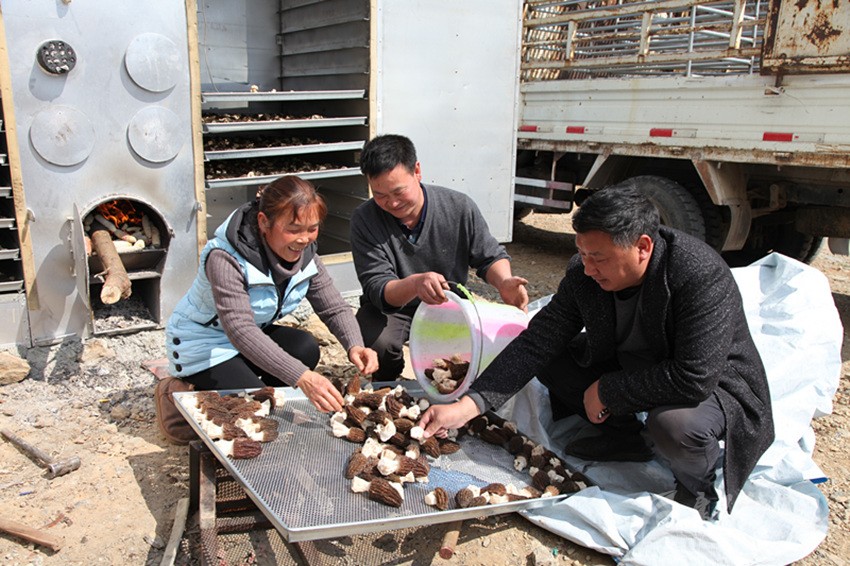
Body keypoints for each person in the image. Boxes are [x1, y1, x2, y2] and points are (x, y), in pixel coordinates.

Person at [418, 183, 775, 519]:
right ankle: (623, 436)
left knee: (675, 425)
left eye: (599, 258)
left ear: (643, 247)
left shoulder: (698, 274)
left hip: (708, 382)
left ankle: (699, 486)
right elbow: (538, 340)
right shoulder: (584, 274)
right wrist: (470, 405)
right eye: (582, 254)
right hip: (631, 362)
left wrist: (608, 390)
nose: (588, 268)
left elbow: (694, 377)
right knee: (550, 355)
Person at [156, 176, 378, 443]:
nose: (304, 239)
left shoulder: (307, 256)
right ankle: (175, 391)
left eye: (312, 229)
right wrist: (302, 377)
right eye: (293, 229)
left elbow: (333, 307)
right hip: (204, 344)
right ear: (263, 222)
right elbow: (241, 330)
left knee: (304, 348)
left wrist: (355, 345)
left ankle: (248, 388)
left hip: (247, 339)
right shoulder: (225, 258)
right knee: (254, 410)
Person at [350, 134, 529, 380]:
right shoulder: (364, 219)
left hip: (448, 305)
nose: (392, 203)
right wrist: (415, 284)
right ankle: (388, 384)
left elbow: (489, 256)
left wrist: (504, 282)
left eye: (399, 191)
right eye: (380, 195)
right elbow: (377, 287)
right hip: (392, 310)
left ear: (417, 171)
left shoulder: (458, 207)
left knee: (460, 361)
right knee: (378, 343)